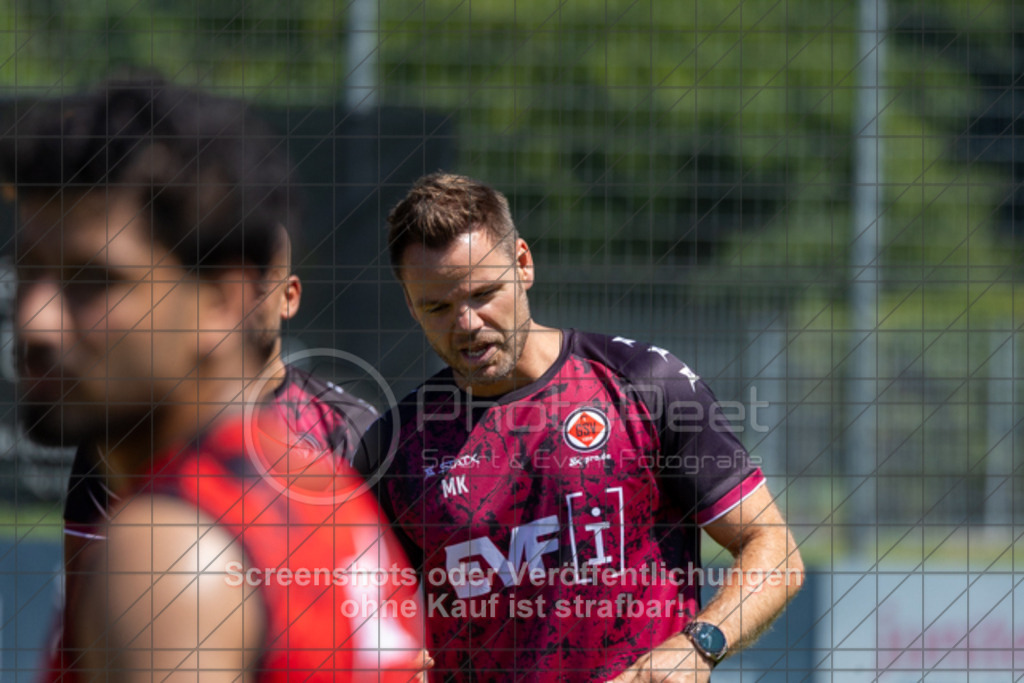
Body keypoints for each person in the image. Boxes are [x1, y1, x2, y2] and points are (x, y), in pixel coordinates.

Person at [7, 75, 425, 682]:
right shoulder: (315, 495)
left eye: (93, 280)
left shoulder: (168, 555)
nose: (34, 321)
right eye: (28, 271)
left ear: (227, 301)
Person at [355, 172, 804, 682]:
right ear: (411, 305)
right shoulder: (396, 447)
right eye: (438, 306)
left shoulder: (643, 385)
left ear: (523, 263)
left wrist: (699, 645)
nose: (468, 324)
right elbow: (358, 611)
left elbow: (773, 548)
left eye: (483, 293)